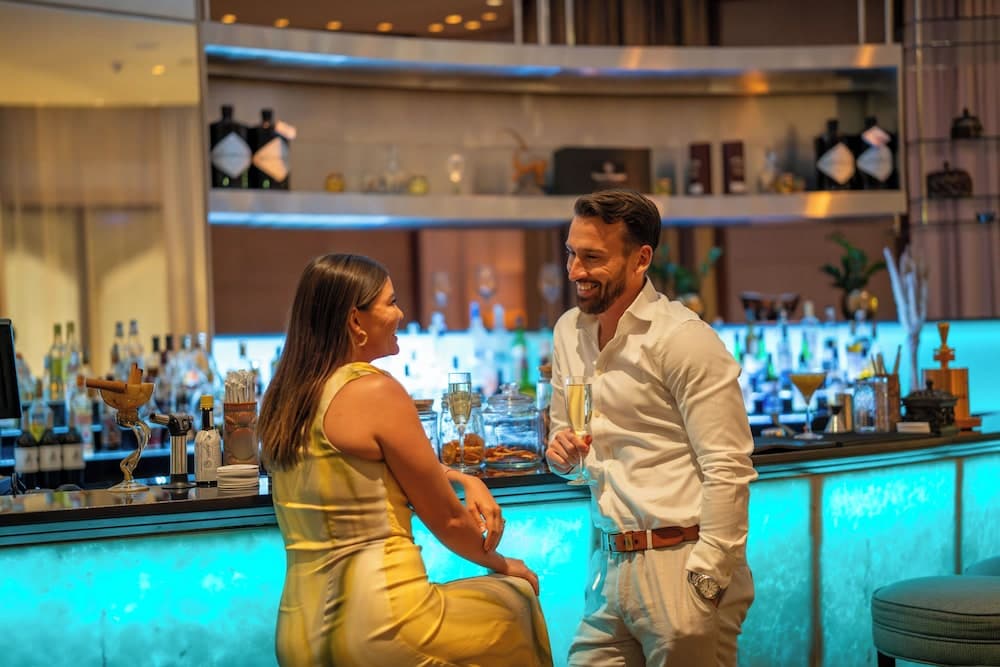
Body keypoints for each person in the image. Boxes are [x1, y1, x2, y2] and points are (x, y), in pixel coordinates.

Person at [259, 253, 553, 667]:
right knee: (514, 602)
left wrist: (460, 476)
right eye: (391, 302)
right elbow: (448, 520)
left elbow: (368, 466)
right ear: (355, 320)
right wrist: (503, 563)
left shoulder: (286, 398)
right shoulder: (375, 390)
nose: (400, 314)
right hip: (384, 624)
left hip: (298, 636)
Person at [545, 189, 756, 666]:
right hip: (608, 568)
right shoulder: (568, 333)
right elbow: (568, 451)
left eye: (592, 257)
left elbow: (728, 467)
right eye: (571, 253)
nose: (574, 271)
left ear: (641, 259)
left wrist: (708, 578)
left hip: (681, 563)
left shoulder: (683, 339)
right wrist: (562, 456)